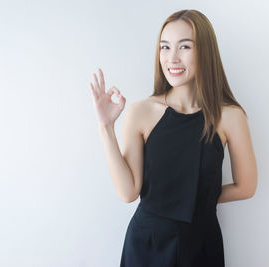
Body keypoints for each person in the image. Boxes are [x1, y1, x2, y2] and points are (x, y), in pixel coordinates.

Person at [90, 9, 257, 267]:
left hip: (201, 245)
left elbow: (246, 187)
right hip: (146, 245)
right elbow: (127, 192)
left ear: (205, 51)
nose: (172, 58)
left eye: (185, 47)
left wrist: (195, 198)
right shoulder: (141, 111)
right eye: (165, 47)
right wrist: (106, 127)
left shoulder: (230, 117)